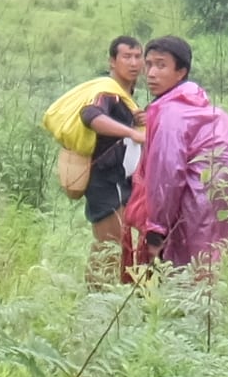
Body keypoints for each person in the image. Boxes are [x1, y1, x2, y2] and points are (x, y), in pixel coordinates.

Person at [127, 36, 228, 274]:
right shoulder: (199, 106)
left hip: (200, 200)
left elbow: (166, 175)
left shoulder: (172, 113)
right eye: (148, 64)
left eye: (161, 65)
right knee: (225, 264)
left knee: (192, 268)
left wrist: (156, 229)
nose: (151, 73)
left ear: (181, 71)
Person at [41, 36, 149, 280]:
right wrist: (131, 131)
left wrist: (134, 121)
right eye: (126, 57)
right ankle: (96, 304)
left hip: (119, 181)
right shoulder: (107, 92)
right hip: (104, 180)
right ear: (112, 61)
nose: (134, 63)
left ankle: (107, 302)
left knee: (116, 246)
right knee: (109, 246)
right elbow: (91, 116)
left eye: (137, 57)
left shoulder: (123, 94)